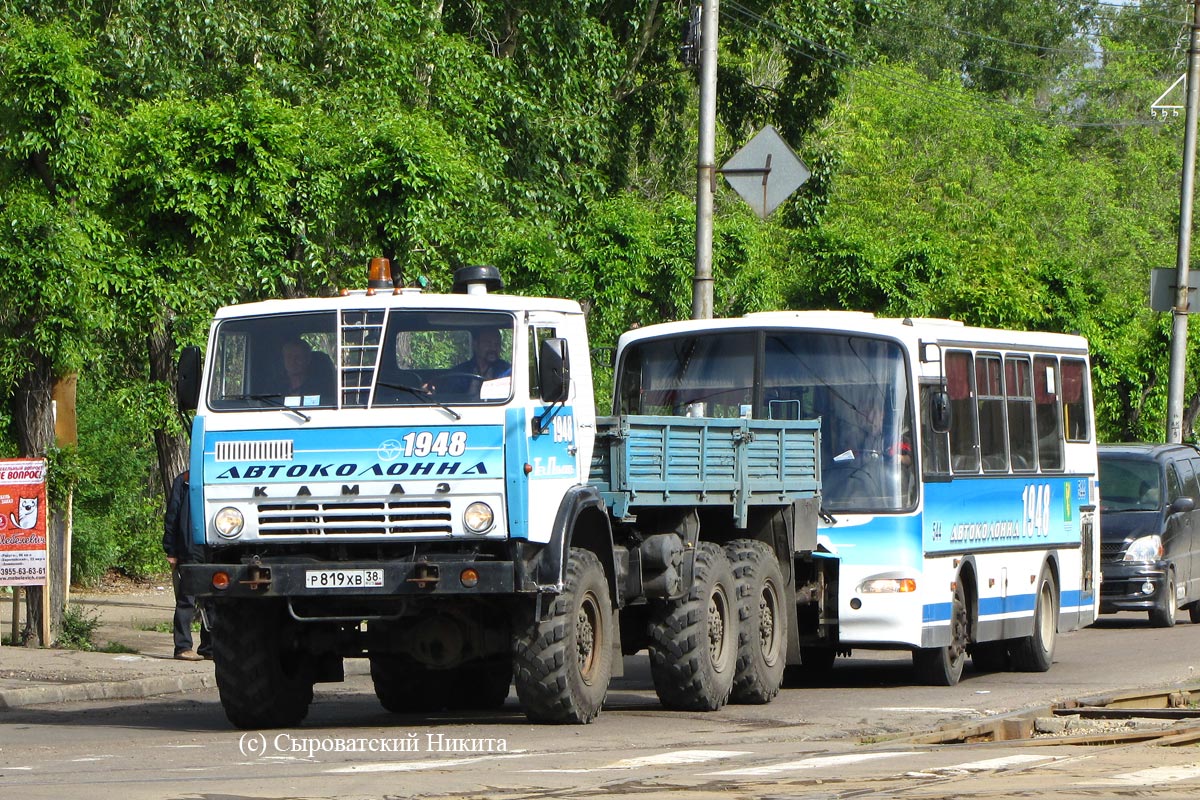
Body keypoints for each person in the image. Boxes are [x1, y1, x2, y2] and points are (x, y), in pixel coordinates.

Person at [162, 469, 212, 661]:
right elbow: (172, 515)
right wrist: (171, 550)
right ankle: (183, 647)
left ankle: (209, 647)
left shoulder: (217, 475)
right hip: (190, 547)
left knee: (212, 600)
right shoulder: (184, 481)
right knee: (187, 600)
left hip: (214, 547)